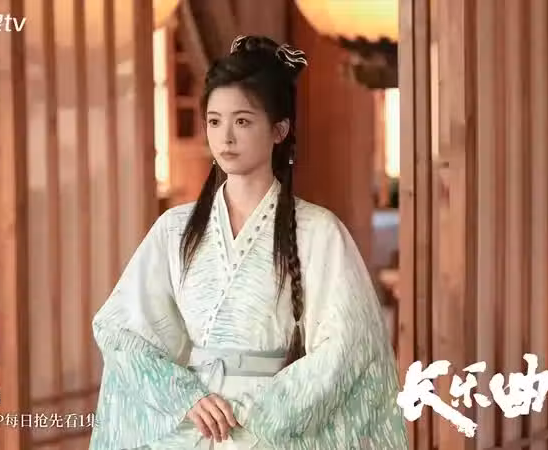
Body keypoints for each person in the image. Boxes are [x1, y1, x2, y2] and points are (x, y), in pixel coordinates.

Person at [89, 35, 408, 449]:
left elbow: (348, 345)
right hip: (193, 424)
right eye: (214, 121)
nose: (225, 137)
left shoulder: (318, 231)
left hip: (272, 428)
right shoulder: (174, 229)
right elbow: (121, 328)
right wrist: (184, 396)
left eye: (242, 121)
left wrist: (264, 413)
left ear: (279, 130)